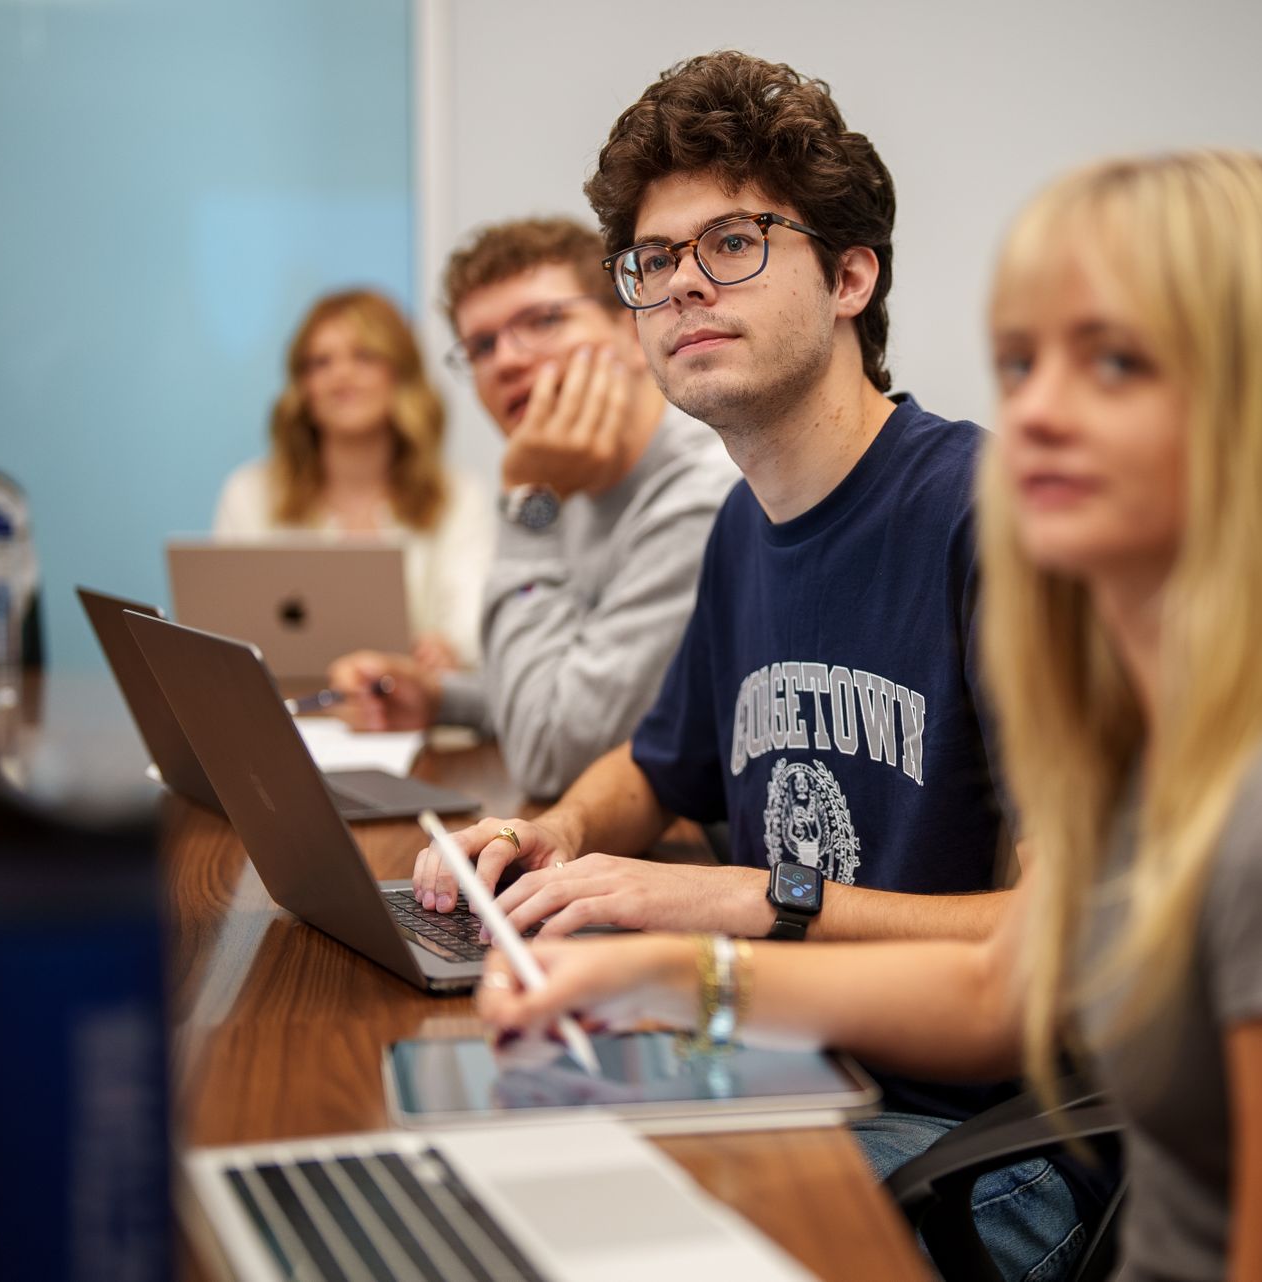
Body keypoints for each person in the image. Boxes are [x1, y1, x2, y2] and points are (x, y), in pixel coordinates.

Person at [476, 150, 1262, 1282]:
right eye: (1020, 364)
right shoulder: (1183, 728)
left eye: (1116, 362)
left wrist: (719, 924)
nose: (1037, 414)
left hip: (997, 1150)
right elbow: (998, 987)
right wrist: (675, 980)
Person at [417, 52, 1092, 1282]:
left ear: (850, 275)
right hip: (783, 1062)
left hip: (981, 1141)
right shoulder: (744, 527)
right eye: (654, 261)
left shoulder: (990, 516)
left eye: (730, 243)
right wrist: (551, 833)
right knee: (449, 1169)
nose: (681, 286)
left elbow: (1054, 951)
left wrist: (746, 899)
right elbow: (657, 763)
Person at [325, 219, 738, 798]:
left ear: (634, 326)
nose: (507, 362)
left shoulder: (702, 496)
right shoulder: (564, 479)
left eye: (543, 321)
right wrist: (443, 699)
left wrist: (529, 506)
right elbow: (552, 691)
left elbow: (553, 757)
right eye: (482, 346)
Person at [214, 289, 491, 671]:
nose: (341, 376)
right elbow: (227, 633)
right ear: (303, 386)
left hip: (416, 718)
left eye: (364, 356)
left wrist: (446, 650)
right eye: (320, 363)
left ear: (400, 373)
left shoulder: (457, 496)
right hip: (284, 716)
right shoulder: (248, 494)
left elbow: (469, 622)